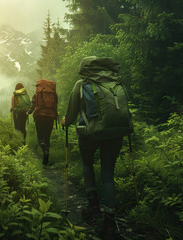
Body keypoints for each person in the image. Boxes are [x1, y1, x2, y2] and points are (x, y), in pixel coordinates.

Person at [61, 56, 132, 239]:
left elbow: (70, 115)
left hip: (91, 134)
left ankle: (93, 206)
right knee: (108, 173)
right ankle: (109, 219)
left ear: (84, 68)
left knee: (87, 164)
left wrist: (65, 121)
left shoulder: (81, 84)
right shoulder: (115, 82)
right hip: (116, 133)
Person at [28, 79, 58, 166]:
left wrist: (28, 112)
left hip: (39, 117)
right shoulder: (54, 95)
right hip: (50, 117)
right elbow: (55, 106)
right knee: (47, 137)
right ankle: (46, 161)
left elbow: (33, 105)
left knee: (40, 138)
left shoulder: (37, 95)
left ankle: (44, 150)